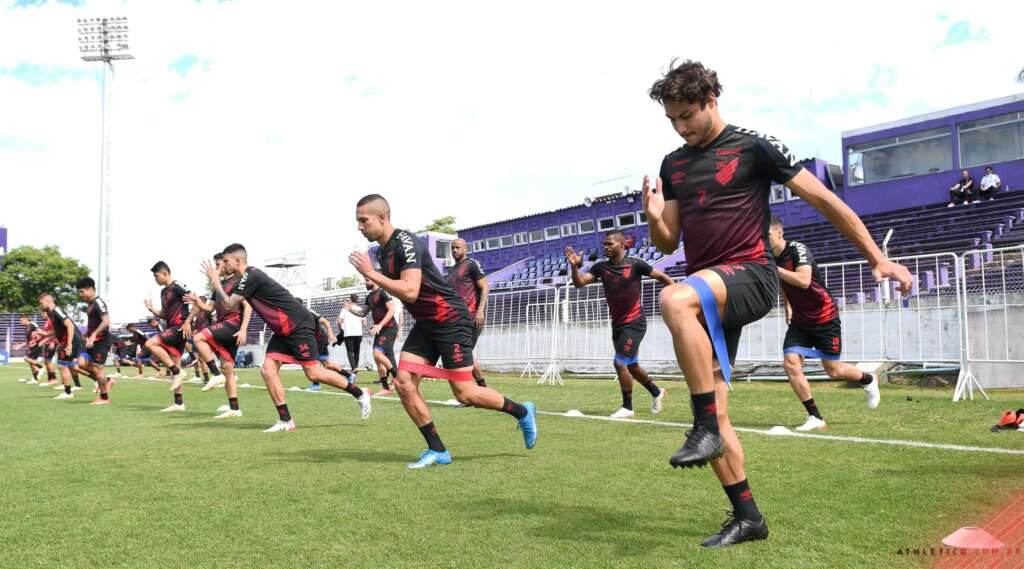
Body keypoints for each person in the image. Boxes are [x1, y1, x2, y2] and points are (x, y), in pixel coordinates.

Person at [644, 59, 912, 547]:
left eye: (687, 116)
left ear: (710, 100)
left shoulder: (755, 146)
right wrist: (653, 216)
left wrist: (878, 258)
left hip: (750, 276)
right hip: (709, 289)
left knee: (673, 300)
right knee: (717, 410)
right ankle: (748, 517)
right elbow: (666, 243)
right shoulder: (674, 163)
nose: (681, 128)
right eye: (672, 121)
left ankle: (702, 424)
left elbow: (826, 201)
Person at [350, 194, 536, 469]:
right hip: (427, 324)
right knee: (404, 383)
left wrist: (371, 273)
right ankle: (437, 449)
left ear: (383, 217)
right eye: (357, 221)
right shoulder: (382, 252)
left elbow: (411, 291)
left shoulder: (406, 242)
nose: (359, 227)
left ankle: (522, 411)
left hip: (451, 320)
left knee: (465, 393)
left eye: (363, 220)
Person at [202, 243, 371, 433]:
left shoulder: (251, 276)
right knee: (267, 370)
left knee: (314, 373)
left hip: (297, 325)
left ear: (238, 260)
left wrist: (215, 281)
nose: (223, 265)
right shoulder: (246, 279)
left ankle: (360, 393)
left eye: (226, 261)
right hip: (283, 330)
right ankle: (286, 421)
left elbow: (230, 304)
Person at [769, 218, 880, 431]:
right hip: (801, 320)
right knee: (791, 363)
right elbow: (784, 284)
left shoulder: (797, 250)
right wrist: (788, 306)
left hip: (824, 316)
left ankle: (867, 379)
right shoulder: (770, 257)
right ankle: (815, 417)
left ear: (780, 233)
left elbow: (803, 280)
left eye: (767, 236)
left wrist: (773, 269)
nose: (763, 241)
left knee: (834, 371)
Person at [565, 231, 675, 418]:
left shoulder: (636, 265)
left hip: (635, 322)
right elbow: (579, 284)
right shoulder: (601, 268)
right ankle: (657, 392)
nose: (606, 247)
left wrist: (677, 295)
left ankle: (627, 408)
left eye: (610, 244)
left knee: (619, 362)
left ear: (622, 245)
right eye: (604, 244)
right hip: (617, 324)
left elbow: (663, 278)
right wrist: (575, 268)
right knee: (631, 366)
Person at [187, 252, 252, 418]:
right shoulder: (218, 285)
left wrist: (244, 328)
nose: (216, 268)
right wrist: (197, 302)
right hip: (225, 324)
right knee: (228, 368)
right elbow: (209, 308)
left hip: (233, 324)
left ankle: (215, 374)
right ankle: (235, 409)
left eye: (218, 265)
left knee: (198, 337)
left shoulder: (238, 281)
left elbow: (248, 306)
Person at [143, 261, 193, 411]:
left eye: (156, 276)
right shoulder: (163, 292)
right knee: (175, 362)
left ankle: (178, 372)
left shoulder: (178, 286)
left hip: (179, 328)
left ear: (165, 274)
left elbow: (196, 302)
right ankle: (179, 403)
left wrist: (188, 322)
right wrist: (152, 310)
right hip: (171, 327)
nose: (155, 279)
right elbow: (164, 315)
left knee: (150, 344)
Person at [343, 278, 400, 395]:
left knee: (377, 353)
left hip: (389, 328)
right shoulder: (369, 297)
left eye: (367, 280)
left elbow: (392, 310)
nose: (365, 283)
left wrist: (379, 325)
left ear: (375, 280)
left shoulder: (384, 292)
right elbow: (363, 312)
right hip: (380, 329)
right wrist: (350, 309)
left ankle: (397, 377)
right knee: (378, 358)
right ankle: (386, 388)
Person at [447, 238, 490, 388]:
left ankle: (476, 390)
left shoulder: (472, 264)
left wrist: (480, 311)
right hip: (456, 320)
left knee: (464, 354)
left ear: (465, 249)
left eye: (458, 247)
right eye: (452, 248)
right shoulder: (451, 270)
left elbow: (485, 287)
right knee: (465, 354)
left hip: (472, 317)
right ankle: (481, 389)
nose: (454, 250)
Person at [36, 293, 86, 401]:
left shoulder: (57, 310)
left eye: (41, 303)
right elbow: (57, 331)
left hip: (73, 340)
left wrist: (69, 343)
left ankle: (68, 392)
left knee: (64, 365)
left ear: (48, 301)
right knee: (71, 366)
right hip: (68, 341)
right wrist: (44, 334)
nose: (40, 306)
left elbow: (70, 325)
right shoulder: (51, 314)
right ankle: (101, 380)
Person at [76, 277, 114, 405]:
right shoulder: (90, 305)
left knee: (98, 369)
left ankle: (104, 398)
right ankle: (106, 380)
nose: (80, 295)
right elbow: (93, 322)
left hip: (102, 340)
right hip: (91, 341)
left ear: (91, 289)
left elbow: (106, 321)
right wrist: (87, 334)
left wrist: (93, 335)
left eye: (82, 292)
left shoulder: (99, 302)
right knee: (79, 364)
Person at [338, 294, 365, 372]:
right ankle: (355, 367)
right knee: (357, 351)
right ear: (357, 300)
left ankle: (354, 368)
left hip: (348, 333)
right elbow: (364, 322)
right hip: (358, 333)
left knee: (350, 351)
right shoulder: (360, 309)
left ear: (350, 300)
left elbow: (339, 321)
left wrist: (341, 328)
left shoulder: (345, 309)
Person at [18, 314, 43, 383]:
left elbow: (41, 332)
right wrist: (20, 345)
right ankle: (36, 379)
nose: (20, 322)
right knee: (31, 363)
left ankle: (40, 367)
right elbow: (27, 340)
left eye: (21, 320)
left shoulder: (32, 324)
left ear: (26, 319)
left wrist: (38, 339)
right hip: (31, 346)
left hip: (36, 345)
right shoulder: (26, 327)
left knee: (26, 358)